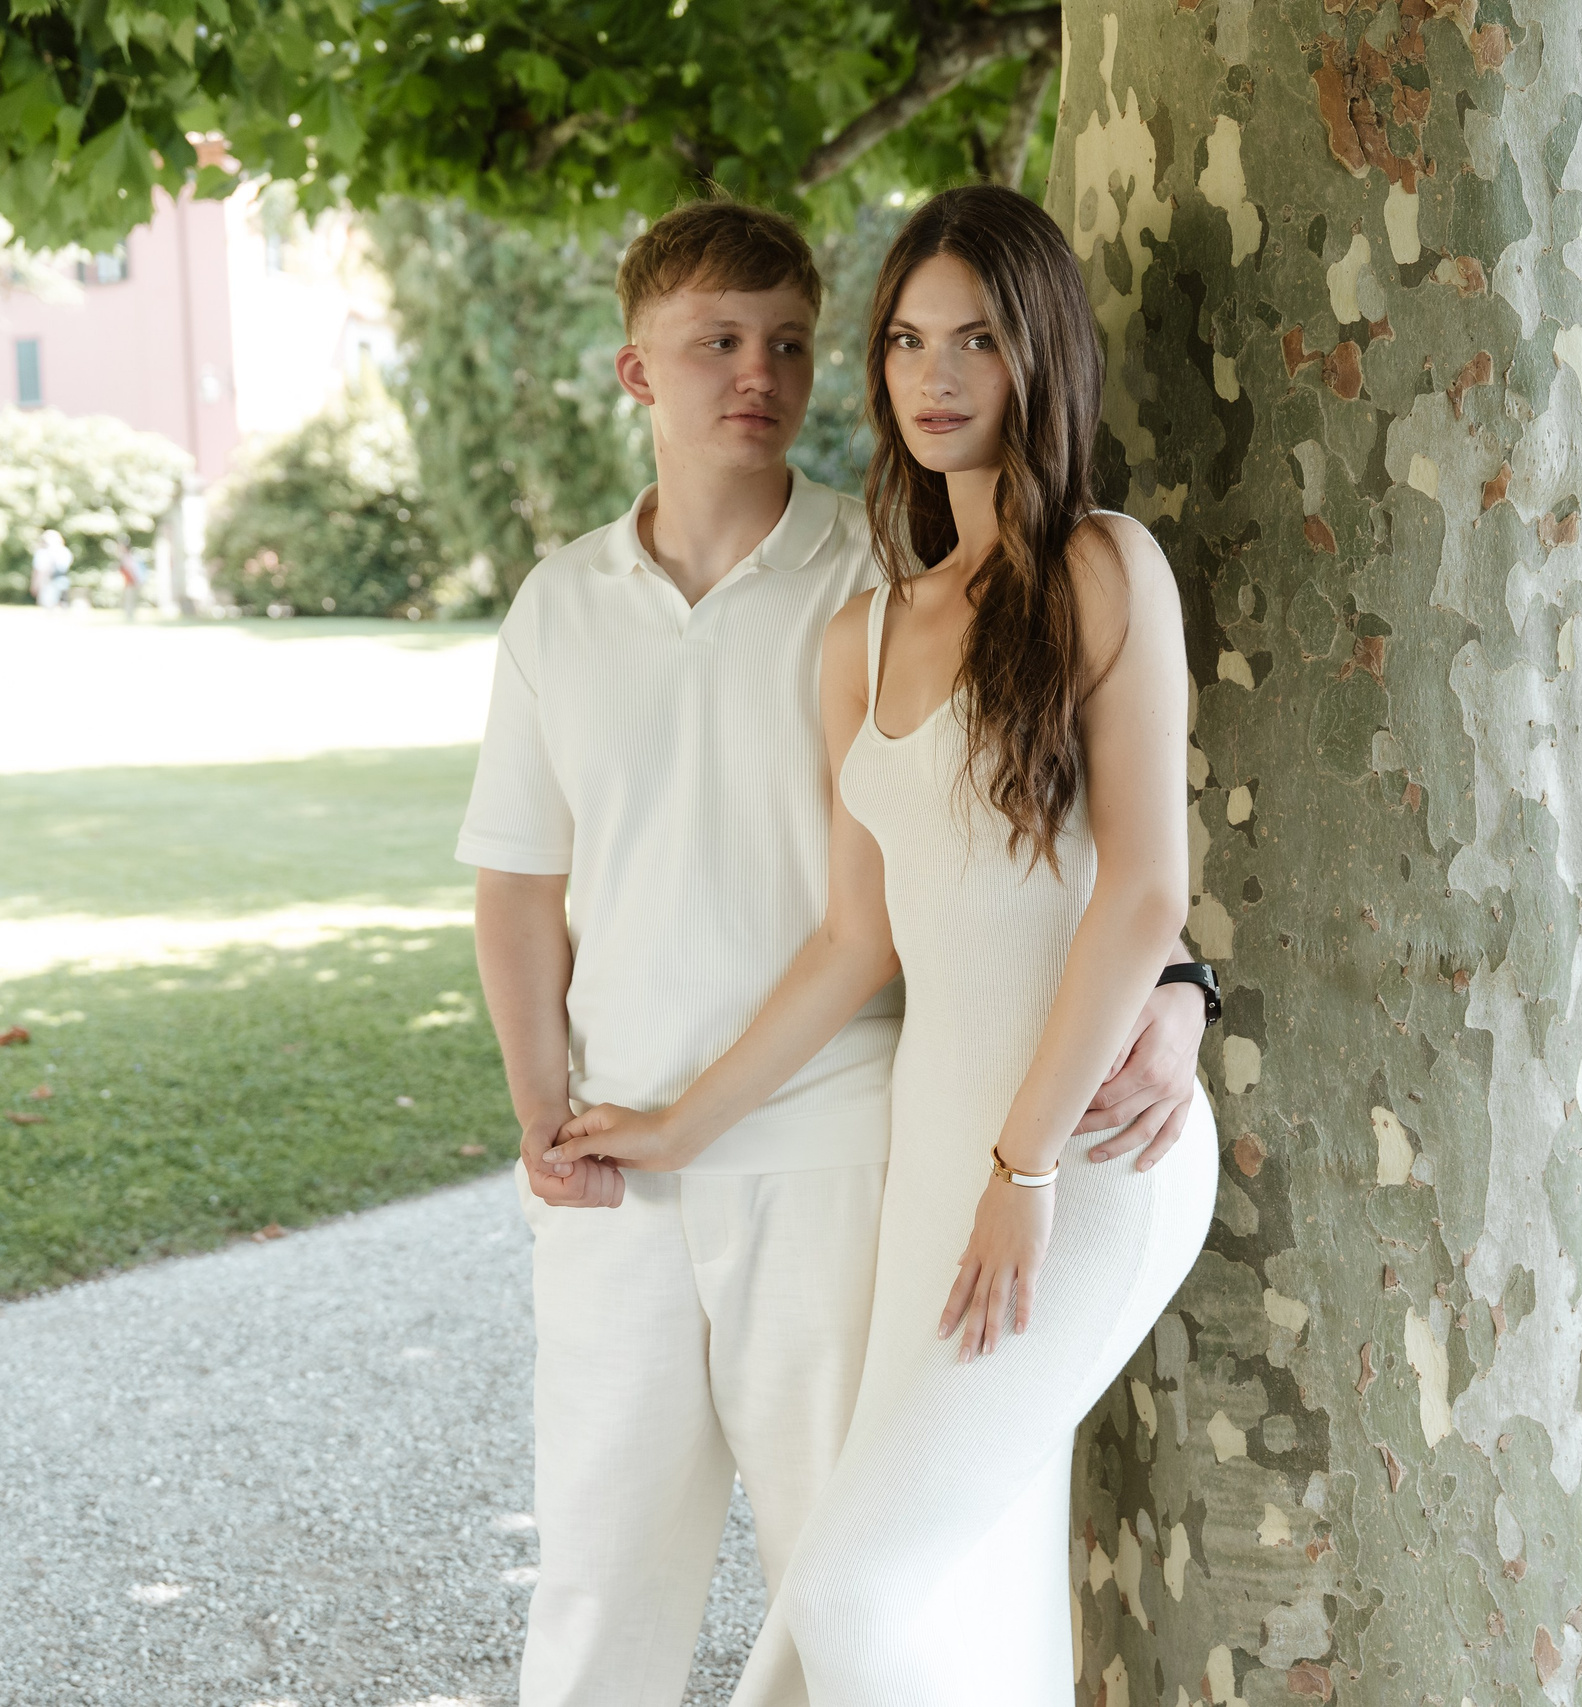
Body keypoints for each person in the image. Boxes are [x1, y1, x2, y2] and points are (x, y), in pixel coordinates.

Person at [458, 197, 1212, 1707]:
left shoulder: (1027, 566)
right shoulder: (838, 624)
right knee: (741, 1586)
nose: (932, 375)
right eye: (910, 341)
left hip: (949, 1154)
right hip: (813, 1150)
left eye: (976, 338)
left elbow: (1122, 879)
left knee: (859, 1579)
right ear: (636, 371)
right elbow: (837, 922)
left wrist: (1163, 1015)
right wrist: (607, 1116)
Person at [29, 529, 72, 610]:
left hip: (50, 581)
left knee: (49, 605)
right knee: (59, 605)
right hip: (61, 580)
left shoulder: (43, 553)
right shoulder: (65, 551)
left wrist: (36, 583)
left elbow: (41, 570)